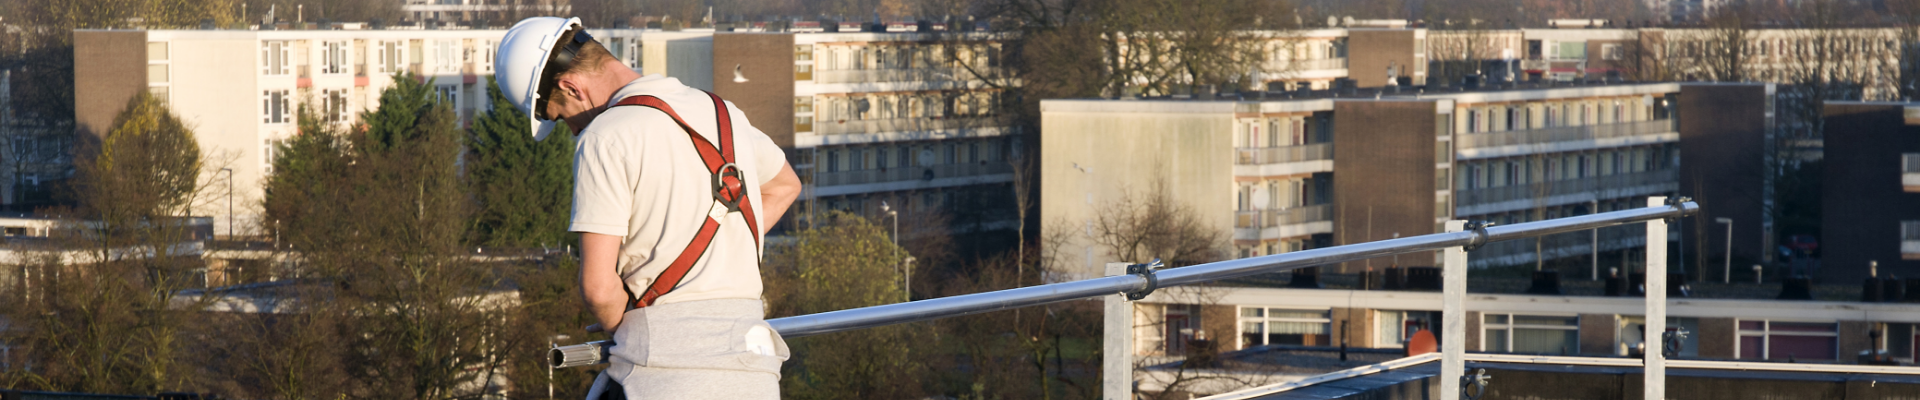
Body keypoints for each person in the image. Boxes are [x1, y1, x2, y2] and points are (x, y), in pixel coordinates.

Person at [494, 17, 802, 399]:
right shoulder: (722, 112)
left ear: (570, 86)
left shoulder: (604, 137)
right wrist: (719, 253)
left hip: (665, 379)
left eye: (561, 116)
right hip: (752, 371)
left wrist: (626, 320)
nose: (571, 129)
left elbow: (598, 290)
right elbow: (784, 186)